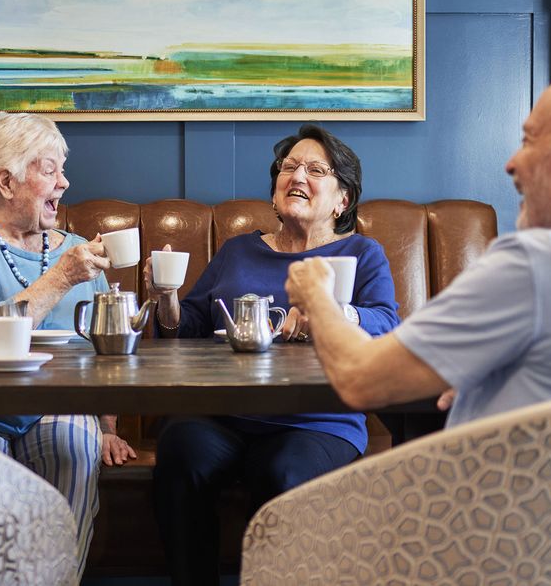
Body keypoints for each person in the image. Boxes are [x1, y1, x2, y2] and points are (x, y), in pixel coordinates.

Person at [286, 73, 551, 429]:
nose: (512, 162)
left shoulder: (537, 262)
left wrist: (317, 297)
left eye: (530, 141)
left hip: (497, 529)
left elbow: (361, 381)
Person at [145, 123, 401, 586]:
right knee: (180, 450)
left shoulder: (362, 253)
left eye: (316, 169)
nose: (297, 175)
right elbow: (189, 329)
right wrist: (166, 297)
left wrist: (331, 311)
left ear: (343, 199)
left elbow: (387, 323)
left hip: (318, 420)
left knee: (282, 473)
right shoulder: (239, 251)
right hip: (223, 414)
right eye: (289, 167)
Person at [0, 111, 137, 582]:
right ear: (7, 181)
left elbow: (104, 346)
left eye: (62, 168)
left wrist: (108, 424)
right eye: (50, 169)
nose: (65, 181)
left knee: (76, 447)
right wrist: (61, 277)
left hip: (57, 405)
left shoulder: (78, 249)